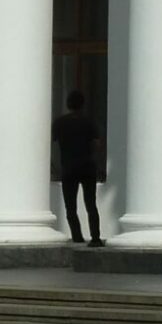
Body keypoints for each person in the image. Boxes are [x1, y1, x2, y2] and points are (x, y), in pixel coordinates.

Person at [50, 91, 105, 246]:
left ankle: (77, 236)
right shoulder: (88, 122)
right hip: (87, 166)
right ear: (83, 105)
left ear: (68, 104)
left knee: (70, 206)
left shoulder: (60, 123)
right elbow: (97, 144)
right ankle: (95, 238)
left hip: (69, 167)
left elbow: (53, 141)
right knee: (91, 204)